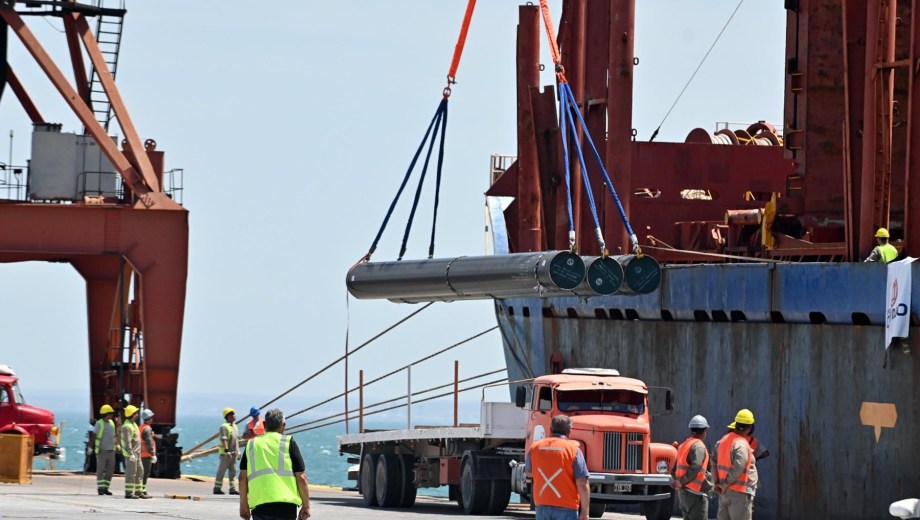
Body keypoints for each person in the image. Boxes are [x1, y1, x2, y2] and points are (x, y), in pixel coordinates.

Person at [239, 408, 311, 520]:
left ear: (264, 424)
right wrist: (306, 506)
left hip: (260, 506)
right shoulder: (289, 442)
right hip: (286, 507)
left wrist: (243, 505)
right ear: (283, 426)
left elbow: (242, 478)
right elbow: (301, 477)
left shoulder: (252, 444)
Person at [524, 415, 590, 520]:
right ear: (569, 431)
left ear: (550, 429)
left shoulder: (535, 447)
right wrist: (585, 512)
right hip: (566, 507)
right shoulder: (574, 450)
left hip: (542, 506)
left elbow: (528, 472)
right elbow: (582, 483)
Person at [713, 409, 758, 520]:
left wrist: (717, 483)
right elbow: (739, 467)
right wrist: (725, 484)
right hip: (739, 493)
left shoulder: (722, 441)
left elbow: (713, 461)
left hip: (724, 492)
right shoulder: (741, 444)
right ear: (749, 428)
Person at [672, 415, 713, 520]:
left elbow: (674, 469)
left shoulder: (684, 444)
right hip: (695, 494)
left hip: (684, 493)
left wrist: (678, 481)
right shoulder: (698, 445)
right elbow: (696, 466)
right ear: (704, 431)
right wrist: (682, 481)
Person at [121, 405, 147, 499]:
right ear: (131, 414)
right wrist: (131, 453)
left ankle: (139, 492)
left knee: (140, 471)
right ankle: (129, 493)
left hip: (137, 454)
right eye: (135, 413)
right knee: (131, 473)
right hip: (131, 454)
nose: (137, 415)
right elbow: (127, 441)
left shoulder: (134, 425)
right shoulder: (127, 426)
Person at [92, 404, 117, 496]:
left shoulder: (112, 423)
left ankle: (106, 488)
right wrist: (91, 448)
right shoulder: (99, 423)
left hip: (111, 451)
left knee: (110, 471)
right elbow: (94, 436)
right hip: (102, 451)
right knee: (101, 470)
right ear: (105, 414)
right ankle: (100, 488)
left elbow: (113, 436)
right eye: (110, 413)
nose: (112, 415)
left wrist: (116, 445)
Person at [216, 407, 240, 495]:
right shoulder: (224, 427)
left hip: (233, 453)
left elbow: (236, 440)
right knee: (221, 471)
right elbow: (224, 439)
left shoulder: (235, 426)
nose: (234, 415)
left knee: (233, 471)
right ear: (228, 416)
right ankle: (217, 488)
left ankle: (233, 489)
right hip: (226, 454)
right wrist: (227, 450)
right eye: (232, 414)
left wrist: (238, 451)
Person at [139, 408, 158, 498]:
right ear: (149, 418)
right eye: (151, 417)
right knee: (145, 473)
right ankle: (142, 491)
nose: (152, 419)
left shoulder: (141, 427)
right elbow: (149, 442)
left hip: (141, 454)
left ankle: (142, 490)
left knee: (142, 473)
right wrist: (153, 454)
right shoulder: (147, 429)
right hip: (146, 455)